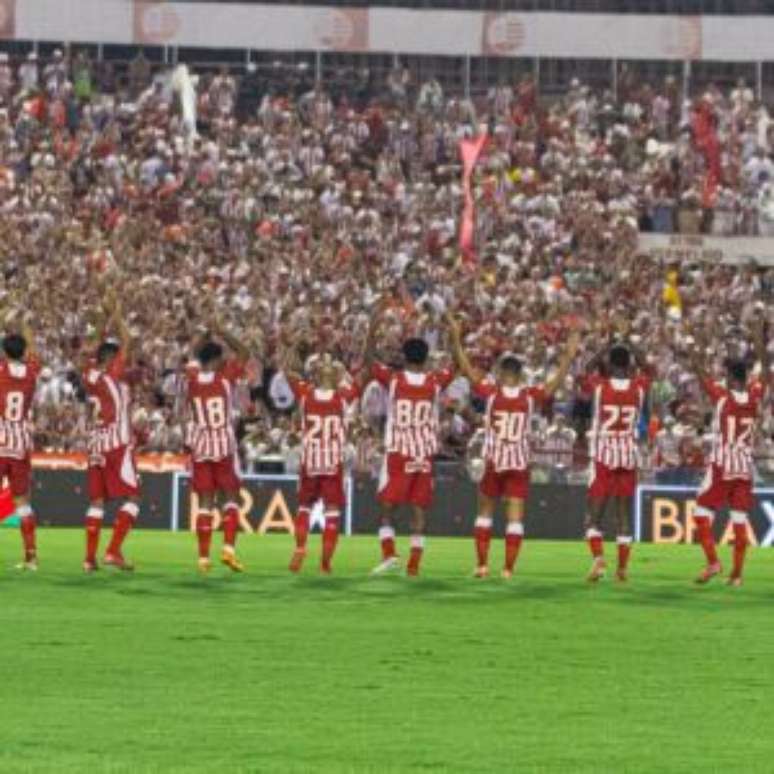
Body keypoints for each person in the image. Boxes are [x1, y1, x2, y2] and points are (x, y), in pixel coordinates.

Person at [448, 314, 581, 578]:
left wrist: (455, 338)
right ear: (519, 375)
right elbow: (555, 383)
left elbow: (466, 368)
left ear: (501, 373)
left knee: (485, 512)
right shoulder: (529, 397)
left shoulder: (491, 393)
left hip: (495, 460)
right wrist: (569, 355)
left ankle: (482, 565)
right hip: (518, 462)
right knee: (515, 516)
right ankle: (508, 569)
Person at [363, 302, 454, 576]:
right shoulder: (435, 382)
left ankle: (390, 554)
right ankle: (414, 564)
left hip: (398, 452)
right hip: (423, 454)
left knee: (387, 507)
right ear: (426, 359)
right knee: (418, 508)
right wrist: (453, 335)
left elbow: (368, 360)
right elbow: (457, 365)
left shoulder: (393, 380)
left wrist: (372, 329)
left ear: (403, 356)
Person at [688, 321, 769, 586]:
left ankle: (713, 562)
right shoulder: (755, 397)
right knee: (739, 520)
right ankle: (736, 575)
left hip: (723, 465)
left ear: (732, 379)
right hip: (744, 468)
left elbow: (701, 376)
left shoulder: (723, 397)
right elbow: (766, 375)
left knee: (701, 512)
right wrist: (760, 344)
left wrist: (694, 348)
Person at [281, 349, 359, 574]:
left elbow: (287, 371)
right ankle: (325, 563)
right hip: (332, 462)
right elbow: (364, 376)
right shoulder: (343, 397)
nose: (329, 365)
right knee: (332, 511)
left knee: (304, 507)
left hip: (311, 461)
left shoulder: (305, 394)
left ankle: (300, 547)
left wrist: (291, 347)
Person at [583, 332, 652, 583]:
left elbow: (585, 369)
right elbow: (649, 369)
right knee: (624, 515)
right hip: (628, 454)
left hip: (603, 454)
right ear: (630, 365)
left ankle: (599, 559)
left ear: (610, 364)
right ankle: (622, 570)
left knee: (593, 516)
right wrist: (630, 343)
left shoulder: (601, 387)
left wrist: (607, 344)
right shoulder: (639, 388)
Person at [185, 312, 250, 573]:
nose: (226, 360)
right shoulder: (225, 379)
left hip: (201, 446)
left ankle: (203, 557)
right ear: (216, 360)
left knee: (205, 501)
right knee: (230, 497)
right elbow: (245, 351)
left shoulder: (191, 379)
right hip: (222, 444)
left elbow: (192, 353)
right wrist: (221, 330)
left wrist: (204, 335)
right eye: (221, 358)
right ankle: (228, 549)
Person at [81, 291, 140, 573]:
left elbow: (93, 349)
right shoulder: (112, 374)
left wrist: (101, 324)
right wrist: (116, 314)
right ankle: (113, 552)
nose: (124, 359)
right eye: (118, 357)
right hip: (117, 443)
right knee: (133, 497)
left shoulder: (89, 375)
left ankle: (89, 559)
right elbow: (128, 340)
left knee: (97, 501)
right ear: (111, 359)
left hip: (96, 445)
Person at [0, 309, 41, 570]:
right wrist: (25, 324)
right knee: (22, 501)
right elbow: (32, 352)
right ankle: (31, 557)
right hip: (20, 441)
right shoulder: (31, 372)